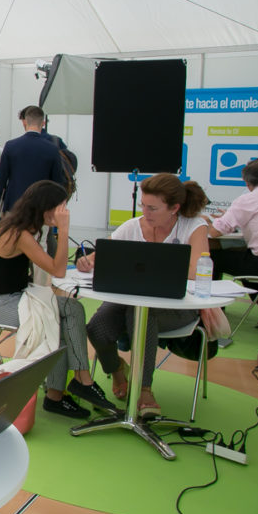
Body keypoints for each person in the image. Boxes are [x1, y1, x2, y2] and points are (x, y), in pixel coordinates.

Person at [0, 181, 117, 418]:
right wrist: (63, 229)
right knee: (64, 317)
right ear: (45, 207)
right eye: (60, 207)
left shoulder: (19, 226)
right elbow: (58, 270)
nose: (64, 212)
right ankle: (73, 386)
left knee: (71, 310)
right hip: (0, 305)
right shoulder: (19, 234)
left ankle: (67, 388)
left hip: (12, 297)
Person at [80, 174, 210, 418]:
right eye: (143, 205)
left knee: (141, 315)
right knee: (97, 327)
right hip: (129, 301)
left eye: (153, 208)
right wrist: (87, 261)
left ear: (174, 208)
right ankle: (117, 370)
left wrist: (152, 268)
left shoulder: (194, 226)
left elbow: (197, 270)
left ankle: (144, 388)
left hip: (178, 307)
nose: (145, 212)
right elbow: (102, 256)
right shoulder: (132, 226)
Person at [205, 160, 258, 332]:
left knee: (211, 258)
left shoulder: (248, 200)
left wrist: (202, 223)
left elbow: (216, 231)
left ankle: (215, 312)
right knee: (243, 258)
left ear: (246, 182)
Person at [0, 106, 66, 218]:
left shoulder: (11, 146)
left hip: (14, 204)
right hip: (41, 207)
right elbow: (57, 182)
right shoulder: (52, 149)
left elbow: (1, 179)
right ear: (43, 123)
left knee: (13, 230)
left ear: (25, 122)